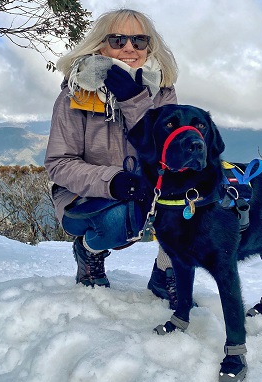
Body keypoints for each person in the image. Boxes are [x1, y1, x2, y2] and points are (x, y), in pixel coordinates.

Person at [44, 8, 179, 308]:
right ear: (101, 45)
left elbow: (166, 151)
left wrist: (134, 101)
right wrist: (112, 181)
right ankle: (89, 251)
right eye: (117, 40)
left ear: (149, 46)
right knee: (119, 217)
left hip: (146, 190)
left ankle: (166, 271)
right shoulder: (76, 94)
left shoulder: (162, 92)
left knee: (191, 199)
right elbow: (58, 163)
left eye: (139, 41)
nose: (129, 48)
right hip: (83, 196)